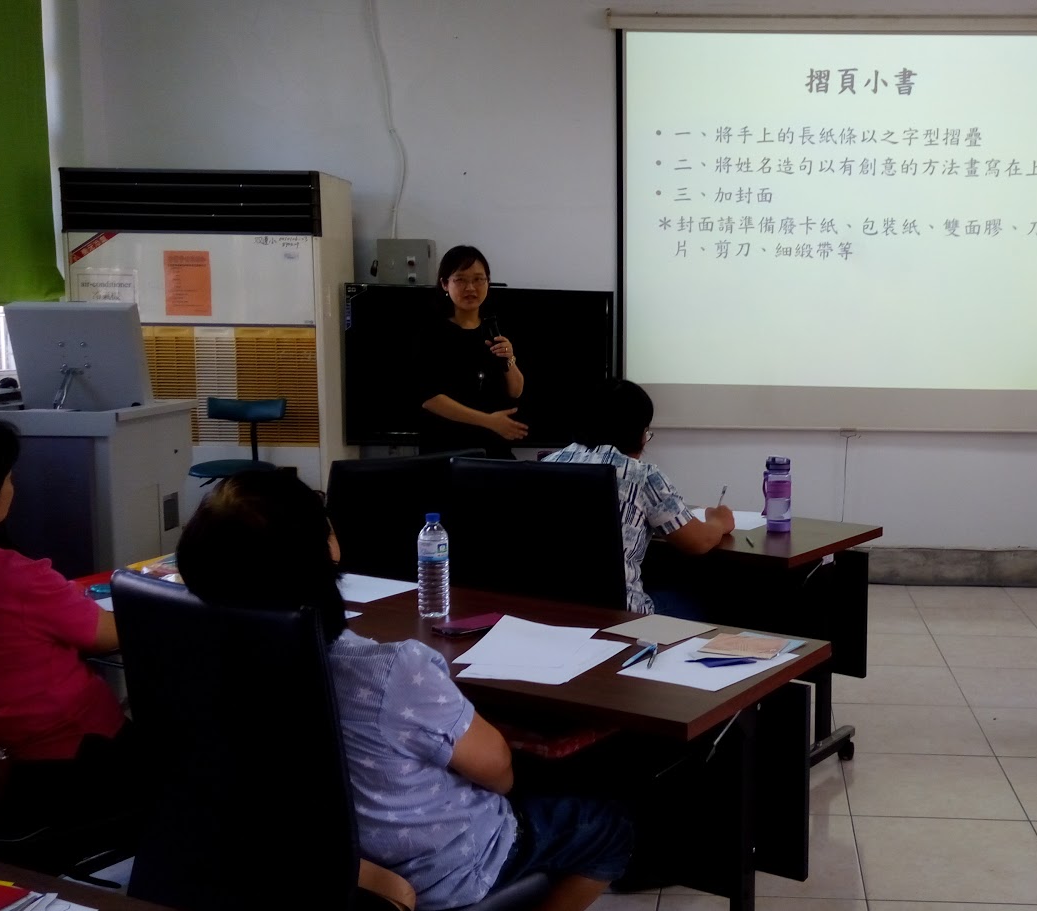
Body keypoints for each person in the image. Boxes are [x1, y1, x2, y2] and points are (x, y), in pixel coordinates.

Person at [177, 471, 632, 911]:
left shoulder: (200, 655)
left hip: (301, 856)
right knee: (607, 826)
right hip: (437, 871)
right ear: (326, 548)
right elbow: (498, 768)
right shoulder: (390, 671)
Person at [0, 417, 130, 825]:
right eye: (9, 478)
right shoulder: (13, 577)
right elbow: (108, 635)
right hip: (64, 758)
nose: (14, 486)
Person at [542, 380, 735, 615]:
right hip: (621, 615)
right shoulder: (642, 475)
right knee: (702, 600)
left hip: (548, 609)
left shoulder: (548, 463)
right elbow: (698, 542)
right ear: (639, 434)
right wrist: (719, 522)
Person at [418, 245, 528, 457]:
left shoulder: (495, 329)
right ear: (445, 284)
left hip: (494, 449)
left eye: (478, 279)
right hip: (448, 450)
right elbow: (429, 398)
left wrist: (509, 358)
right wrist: (489, 421)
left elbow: (515, 390)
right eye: (460, 280)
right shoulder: (432, 333)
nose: (471, 287)